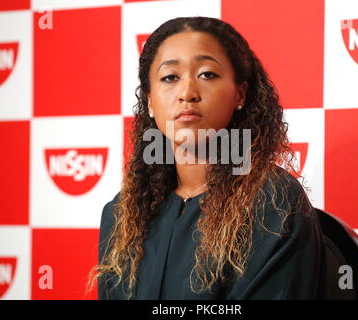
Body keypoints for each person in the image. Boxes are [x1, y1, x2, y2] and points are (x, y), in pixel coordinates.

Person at [87, 16, 325, 300]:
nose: (187, 93)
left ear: (240, 93)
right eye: (170, 77)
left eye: (207, 74)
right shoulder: (121, 214)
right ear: (150, 101)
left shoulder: (272, 203)